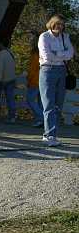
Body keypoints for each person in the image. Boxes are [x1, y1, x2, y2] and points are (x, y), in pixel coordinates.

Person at [38, 14, 74, 147]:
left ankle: (53, 134)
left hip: (61, 71)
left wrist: (57, 54)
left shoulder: (65, 37)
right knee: (48, 104)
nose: (60, 26)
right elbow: (46, 56)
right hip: (47, 71)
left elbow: (70, 54)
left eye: (62, 24)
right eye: (58, 23)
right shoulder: (44, 37)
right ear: (52, 23)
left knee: (58, 104)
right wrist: (62, 54)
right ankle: (48, 136)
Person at [26, 37, 44, 127]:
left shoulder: (35, 54)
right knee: (41, 102)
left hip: (35, 81)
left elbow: (32, 70)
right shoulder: (44, 53)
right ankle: (41, 121)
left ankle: (41, 118)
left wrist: (28, 80)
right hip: (43, 81)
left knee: (30, 100)